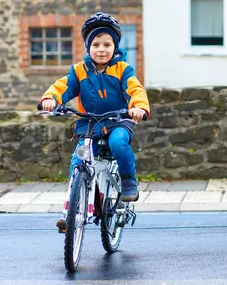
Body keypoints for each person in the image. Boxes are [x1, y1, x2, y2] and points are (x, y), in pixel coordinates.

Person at [39, 12, 150, 230]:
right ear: (88, 47)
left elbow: (135, 89)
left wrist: (138, 108)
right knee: (78, 159)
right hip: (89, 124)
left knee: (118, 143)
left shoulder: (123, 70)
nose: (101, 49)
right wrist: (50, 99)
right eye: (96, 44)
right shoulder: (79, 71)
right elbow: (63, 87)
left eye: (107, 44)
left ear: (115, 47)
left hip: (118, 121)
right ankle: (71, 211)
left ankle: (128, 182)